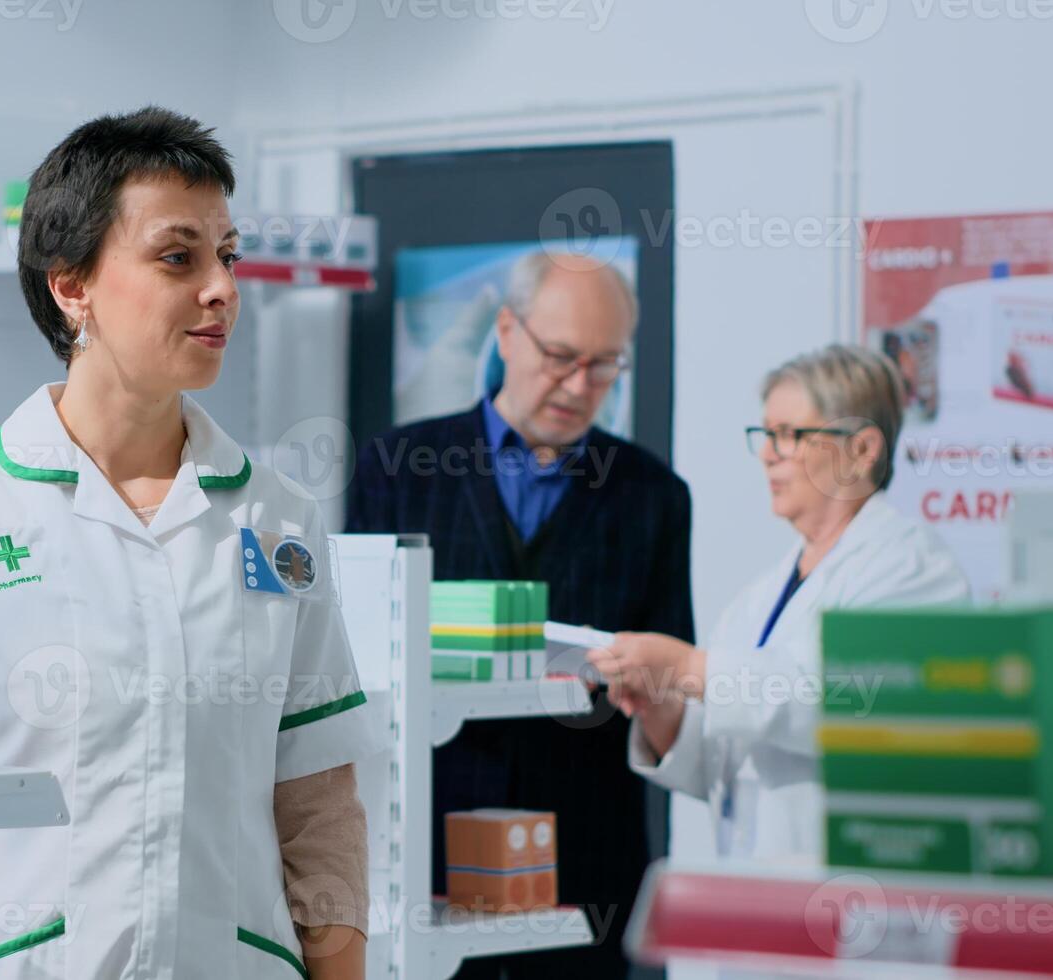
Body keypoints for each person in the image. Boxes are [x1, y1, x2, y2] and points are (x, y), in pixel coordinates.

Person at [0, 107, 385, 980]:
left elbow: (318, 800)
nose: (222, 288)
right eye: (179, 257)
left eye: (228, 256)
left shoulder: (276, 518)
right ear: (73, 286)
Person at [344, 251, 694, 978]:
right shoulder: (396, 469)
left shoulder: (652, 496)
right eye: (561, 356)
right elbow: (355, 671)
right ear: (506, 331)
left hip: (585, 864)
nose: (578, 385)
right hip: (426, 853)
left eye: (604, 366)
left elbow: (670, 680)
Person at [589, 344, 969, 862]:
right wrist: (663, 708)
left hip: (855, 892)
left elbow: (853, 702)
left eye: (791, 435)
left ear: (862, 450)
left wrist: (688, 667)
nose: (769, 452)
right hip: (756, 892)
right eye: (767, 434)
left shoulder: (912, 569)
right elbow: (723, 761)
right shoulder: (760, 595)